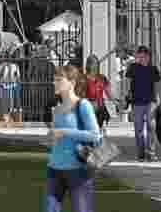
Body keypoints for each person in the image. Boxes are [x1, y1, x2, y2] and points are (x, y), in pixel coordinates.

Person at [45, 65, 102, 212]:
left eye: (59, 80)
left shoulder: (83, 105)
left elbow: (95, 135)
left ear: (72, 82)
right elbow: (56, 139)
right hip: (54, 168)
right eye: (54, 80)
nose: (54, 83)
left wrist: (65, 132)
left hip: (77, 170)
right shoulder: (56, 108)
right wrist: (51, 138)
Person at [125, 46, 161, 161]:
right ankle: (141, 152)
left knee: (151, 125)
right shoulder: (133, 67)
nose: (141, 59)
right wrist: (127, 94)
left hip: (150, 101)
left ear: (148, 57)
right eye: (139, 57)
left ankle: (151, 152)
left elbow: (157, 85)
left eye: (144, 57)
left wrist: (159, 98)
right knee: (138, 128)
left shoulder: (153, 69)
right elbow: (127, 82)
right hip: (136, 102)